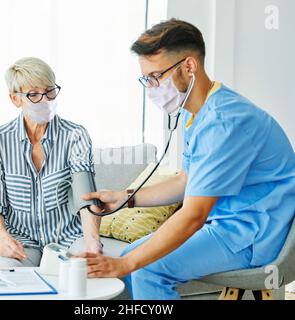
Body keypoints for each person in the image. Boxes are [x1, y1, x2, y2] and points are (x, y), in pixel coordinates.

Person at [81, 19, 295, 300]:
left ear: (189, 67)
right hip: (230, 227)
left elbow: (194, 215)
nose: (151, 88)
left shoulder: (224, 121)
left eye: (156, 76)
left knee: (145, 267)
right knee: (132, 254)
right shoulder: (194, 112)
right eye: (146, 79)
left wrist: (127, 265)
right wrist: (126, 197)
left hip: (256, 237)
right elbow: (186, 180)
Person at [0, 57, 102, 269]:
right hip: (20, 239)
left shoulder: (75, 135)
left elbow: (86, 197)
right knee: (10, 277)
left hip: (68, 237)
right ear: (15, 99)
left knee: (81, 274)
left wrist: (92, 240)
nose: (45, 100)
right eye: (34, 94)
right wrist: (4, 239)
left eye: (50, 91)